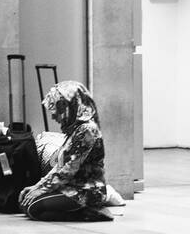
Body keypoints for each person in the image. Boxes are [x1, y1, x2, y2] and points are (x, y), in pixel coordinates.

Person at [19, 81, 118, 222]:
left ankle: (92, 212)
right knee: (25, 202)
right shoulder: (74, 130)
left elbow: (67, 170)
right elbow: (59, 167)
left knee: (34, 208)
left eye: (57, 110)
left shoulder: (87, 131)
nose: (53, 116)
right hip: (70, 187)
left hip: (87, 191)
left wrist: (41, 190)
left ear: (71, 106)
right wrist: (36, 187)